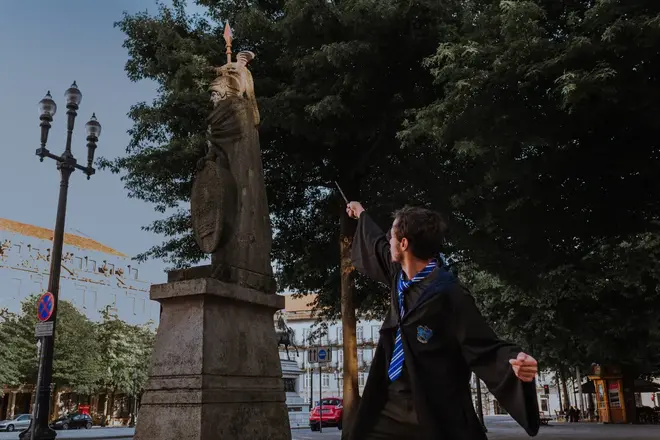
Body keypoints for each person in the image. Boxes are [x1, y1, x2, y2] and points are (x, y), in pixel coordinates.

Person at [345, 202, 541, 440]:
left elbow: (484, 346)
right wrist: (361, 214)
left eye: (392, 236)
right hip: (391, 404)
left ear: (404, 244)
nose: (389, 240)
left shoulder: (450, 294)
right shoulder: (399, 276)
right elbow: (376, 244)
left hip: (432, 408)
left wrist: (516, 362)